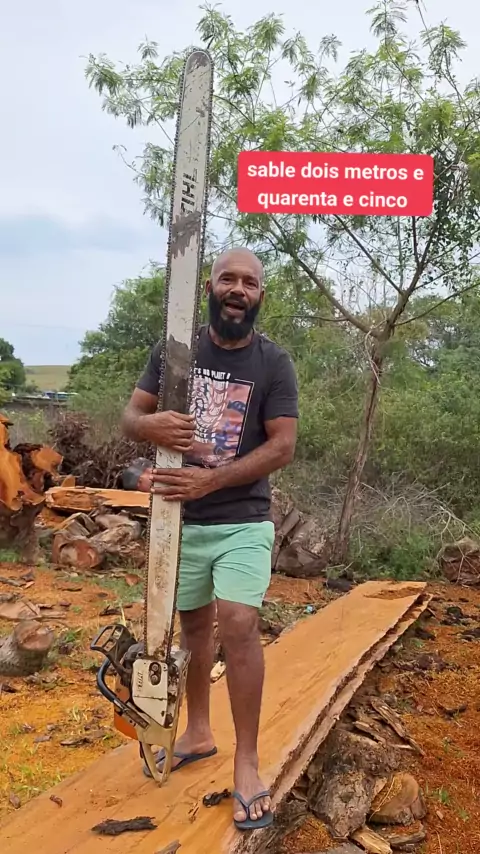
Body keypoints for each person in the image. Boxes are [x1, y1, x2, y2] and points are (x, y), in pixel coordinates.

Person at [121, 247, 298, 830]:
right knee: (193, 627)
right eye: (228, 278)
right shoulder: (175, 352)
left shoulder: (273, 362)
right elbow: (130, 417)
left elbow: (282, 446)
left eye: (250, 282)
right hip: (180, 519)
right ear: (209, 287)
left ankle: (247, 762)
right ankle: (198, 731)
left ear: (261, 295)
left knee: (239, 623)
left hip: (243, 518)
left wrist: (212, 480)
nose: (238, 289)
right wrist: (148, 424)